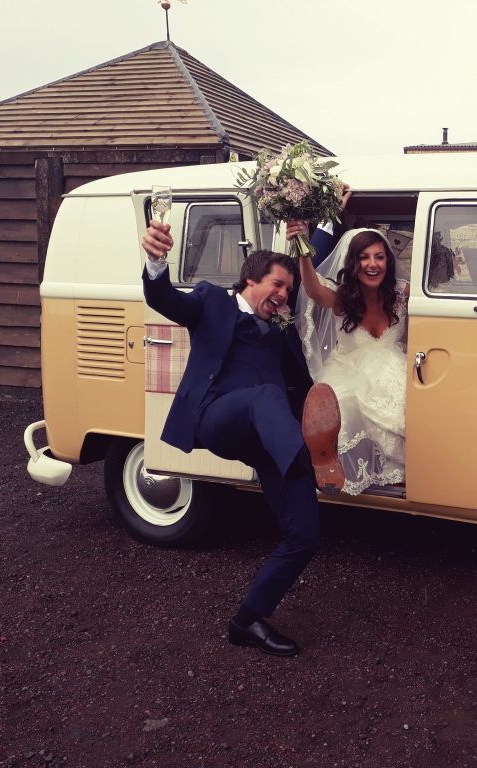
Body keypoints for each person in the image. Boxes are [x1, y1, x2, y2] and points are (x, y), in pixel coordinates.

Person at [140, 221, 340, 658]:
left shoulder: (281, 321)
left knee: (304, 535)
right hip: (218, 419)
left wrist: (328, 216)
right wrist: (156, 260)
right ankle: (312, 459)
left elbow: (309, 260)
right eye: (277, 285)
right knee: (265, 396)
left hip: (271, 440)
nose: (285, 295)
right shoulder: (213, 301)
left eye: (288, 289)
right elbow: (163, 298)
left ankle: (247, 621)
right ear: (250, 278)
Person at [289, 224, 410, 495]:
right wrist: (302, 249)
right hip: (348, 368)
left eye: (379, 257)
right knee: (340, 406)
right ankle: (331, 467)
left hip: (393, 366)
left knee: (405, 399)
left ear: (388, 262)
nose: (372, 264)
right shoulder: (342, 297)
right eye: (364, 257)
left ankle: (400, 473)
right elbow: (314, 292)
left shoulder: (402, 292)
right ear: (352, 263)